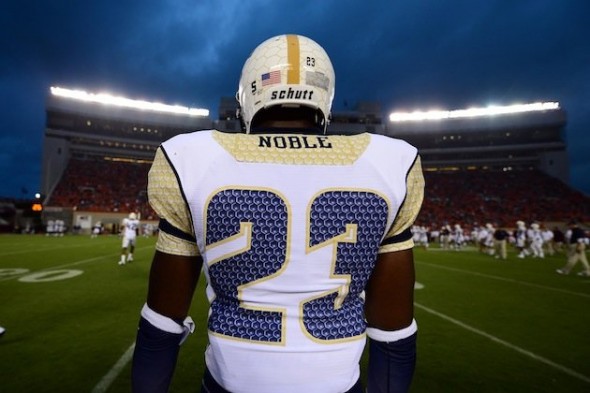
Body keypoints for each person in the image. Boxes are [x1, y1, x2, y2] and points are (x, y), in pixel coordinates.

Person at [131, 34, 425, 393]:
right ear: (325, 99)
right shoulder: (389, 164)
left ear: (247, 97)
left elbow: (162, 323)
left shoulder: (191, 159)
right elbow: (393, 334)